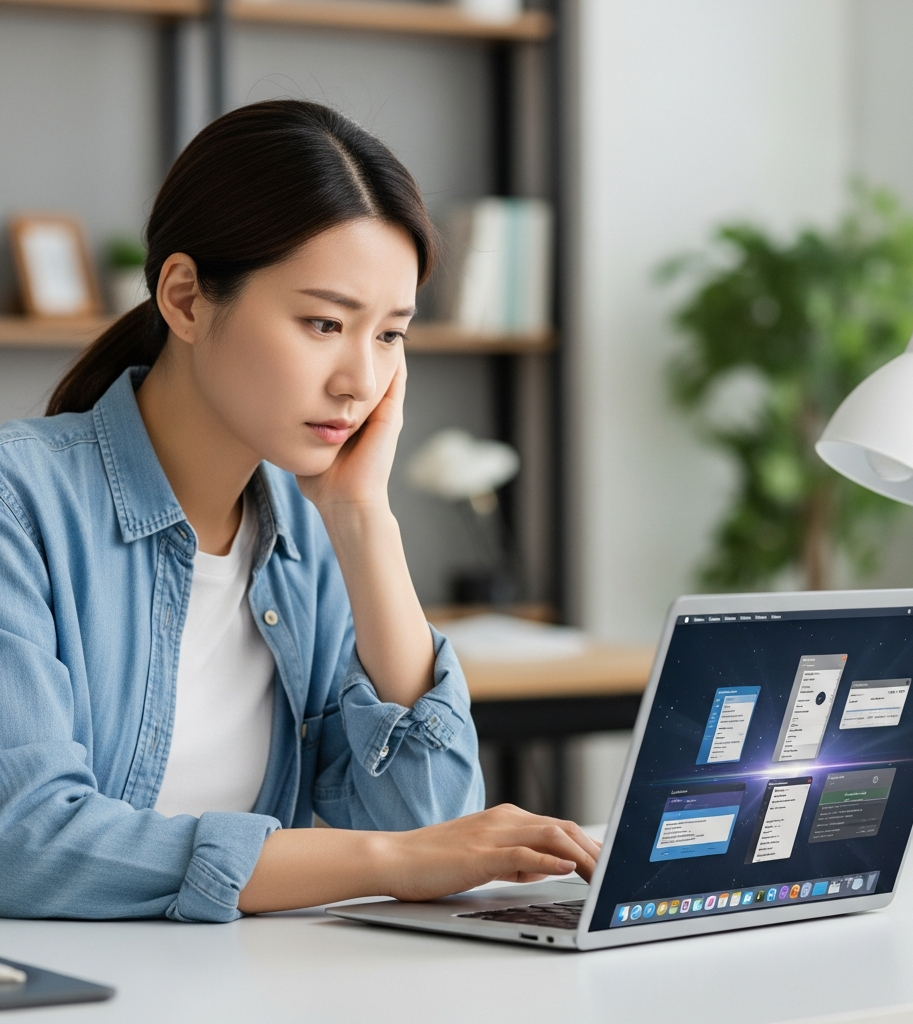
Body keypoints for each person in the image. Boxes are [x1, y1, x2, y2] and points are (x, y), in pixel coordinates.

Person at [0, 100, 599, 921]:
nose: (360, 378)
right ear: (185, 298)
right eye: (324, 322)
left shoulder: (304, 530)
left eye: (390, 334)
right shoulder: (19, 504)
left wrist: (363, 522)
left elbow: (431, 829)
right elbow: (26, 841)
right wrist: (388, 859)